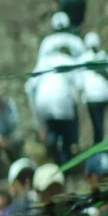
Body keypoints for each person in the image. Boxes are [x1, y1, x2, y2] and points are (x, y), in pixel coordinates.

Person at [31, 13, 87, 161]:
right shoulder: (74, 45)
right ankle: (65, 164)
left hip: (43, 99)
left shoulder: (46, 46)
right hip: (64, 99)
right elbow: (80, 81)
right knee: (67, 135)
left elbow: (31, 84)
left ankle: (53, 156)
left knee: (52, 131)